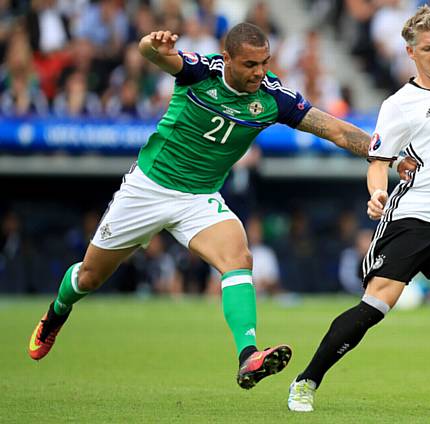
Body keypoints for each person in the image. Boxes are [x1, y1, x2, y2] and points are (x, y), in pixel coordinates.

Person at [27, 22, 391, 391]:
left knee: (238, 257)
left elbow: (334, 129)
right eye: (250, 64)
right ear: (228, 58)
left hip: (199, 197)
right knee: (89, 277)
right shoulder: (201, 72)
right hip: (149, 188)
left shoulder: (272, 97)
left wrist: (386, 154)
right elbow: (153, 54)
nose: (260, 72)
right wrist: (152, 45)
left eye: (264, 62)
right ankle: (56, 313)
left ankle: (248, 355)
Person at [288, 6, 430, 413]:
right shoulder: (400, 104)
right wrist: (377, 193)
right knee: (375, 307)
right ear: (410, 53)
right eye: (427, 49)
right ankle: (306, 381)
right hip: (411, 217)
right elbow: (378, 162)